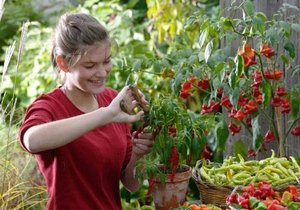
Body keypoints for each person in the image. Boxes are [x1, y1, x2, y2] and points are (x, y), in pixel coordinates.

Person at [19, 12, 154, 210]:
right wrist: (105, 115)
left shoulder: (111, 100)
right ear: (63, 63)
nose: (101, 73)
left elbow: (131, 184)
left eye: (106, 61)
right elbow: (32, 141)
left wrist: (137, 155)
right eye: (90, 65)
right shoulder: (49, 106)